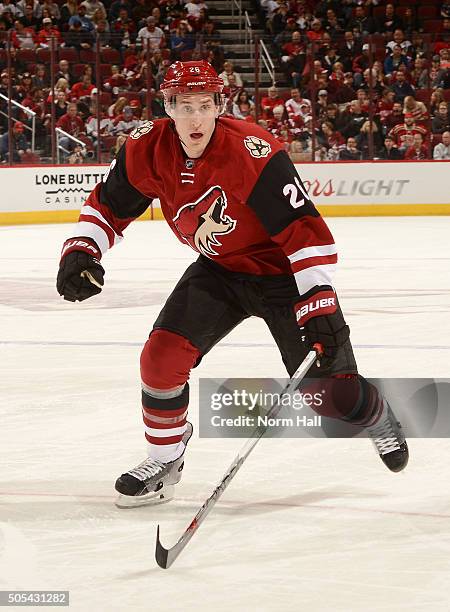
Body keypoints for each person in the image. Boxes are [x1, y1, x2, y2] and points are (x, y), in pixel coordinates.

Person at [56, 60, 409, 508]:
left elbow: (303, 230)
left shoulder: (253, 151)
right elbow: (108, 206)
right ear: (167, 108)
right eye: (185, 106)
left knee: (328, 397)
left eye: (205, 105)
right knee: (161, 359)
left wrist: (318, 301)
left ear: (220, 106)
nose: (196, 118)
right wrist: (81, 249)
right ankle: (164, 460)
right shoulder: (145, 148)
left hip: (285, 277)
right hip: (220, 269)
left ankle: (376, 414)